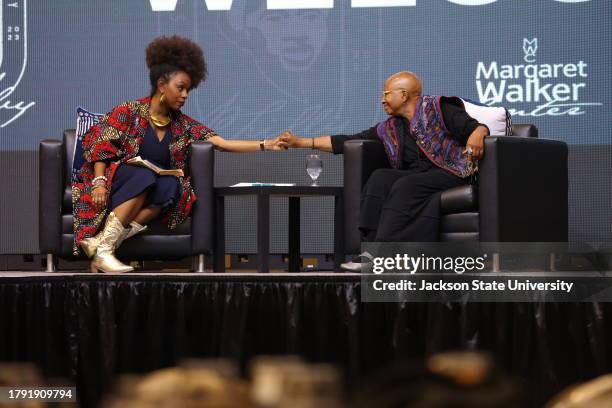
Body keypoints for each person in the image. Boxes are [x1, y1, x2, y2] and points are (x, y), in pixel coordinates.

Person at [72, 35, 287, 274]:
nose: (185, 95)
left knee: (172, 186)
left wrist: (267, 144)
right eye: (180, 87)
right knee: (145, 175)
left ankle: (103, 245)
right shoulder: (129, 111)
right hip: (120, 184)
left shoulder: (183, 125)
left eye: (188, 90)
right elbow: (101, 144)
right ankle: (104, 251)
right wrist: (99, 182)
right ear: (162, 85)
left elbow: (223, 143)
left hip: (152, 188)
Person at [280, 71, 489, 271]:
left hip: (453, 171)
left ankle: (384, 256)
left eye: (386, 94)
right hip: (421, 176)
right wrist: (300, 142)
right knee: (380, 178)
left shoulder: (439, 108)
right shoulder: (390, 127)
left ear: (404, 94)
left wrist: (477, 134)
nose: (382, 99)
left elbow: (477, 128)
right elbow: (345, 141)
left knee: (406, 184)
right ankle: (369, 252)